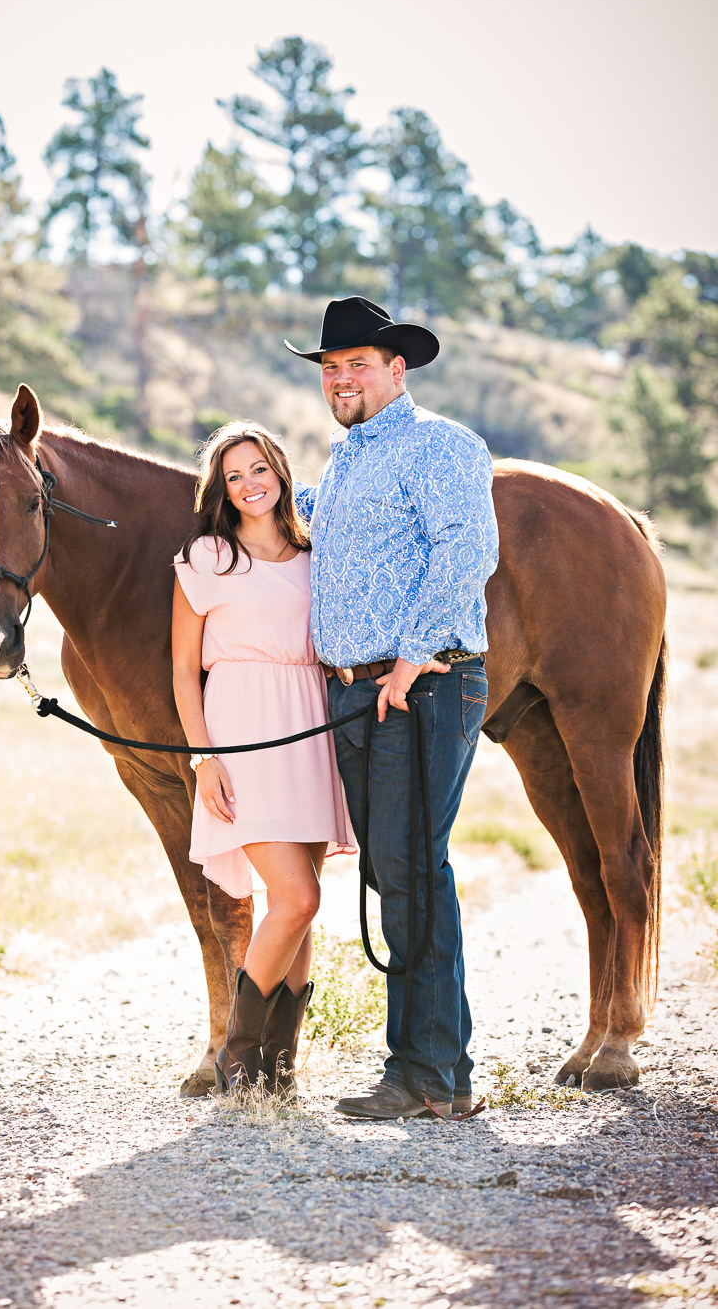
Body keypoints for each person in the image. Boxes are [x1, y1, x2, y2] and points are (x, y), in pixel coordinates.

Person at [287, 295, 499, 1119]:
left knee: (413, 869)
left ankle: (431, 1077)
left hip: (419, 685)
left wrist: (411, 663)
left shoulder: (440, 445)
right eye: (331, 368)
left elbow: (466, 549)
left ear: (396, 368)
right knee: (397, 871)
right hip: (360, 691)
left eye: (357, 365)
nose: (340, 378)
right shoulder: (345, 462)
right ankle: (430, 1069)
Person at [172, 422, 355, 1094]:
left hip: (310, 728)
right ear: (221, 489)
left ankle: (280, 1068)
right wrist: (203, 759)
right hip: (242, 732)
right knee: (295, 895)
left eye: (258, 469)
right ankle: (237, 1054)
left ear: (280, 471)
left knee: (302, 907)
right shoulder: (205, 559)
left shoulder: (316, 557)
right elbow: (183, 672)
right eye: (234, 476)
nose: (249, 484)